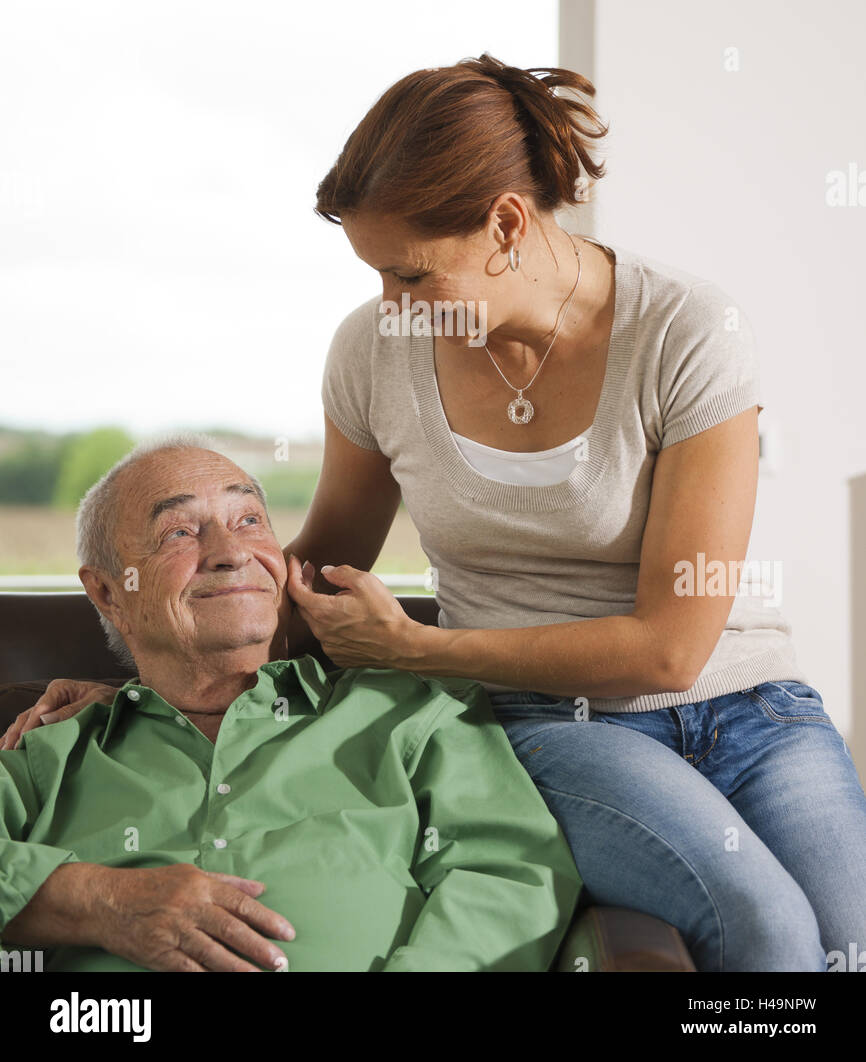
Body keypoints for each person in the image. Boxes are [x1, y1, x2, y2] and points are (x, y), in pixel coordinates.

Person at [9, 53, 866, 971]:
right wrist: (154, 693)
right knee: (767, 929)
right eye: (375, 274)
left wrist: (419, 651)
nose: (390, 305)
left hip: (748, 704)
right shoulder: (376, 351)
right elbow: (316, 565)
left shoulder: (686, 331)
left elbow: (670, 649)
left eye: (411, 275)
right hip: (550, 718)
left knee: (850, 945)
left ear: (504, 224)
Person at [0, 438, 580, 972]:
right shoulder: (49, 749)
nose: (230, 553)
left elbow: (511, 880)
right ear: (107, 592)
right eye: (179, 532)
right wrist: (98, 901)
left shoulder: (415, 715)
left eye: (249, 520)